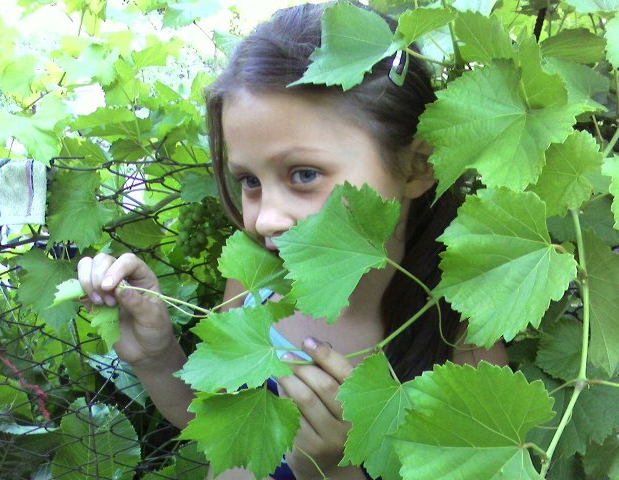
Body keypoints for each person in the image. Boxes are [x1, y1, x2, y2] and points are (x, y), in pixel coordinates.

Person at [77, 3, 508, 479]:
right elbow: (231, 437)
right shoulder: (257, 284)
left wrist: (332, 472)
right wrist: (157, 358)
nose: (264, 219)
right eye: (249, 181)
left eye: (304, 174)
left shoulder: (457, 336)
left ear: (417, 167)